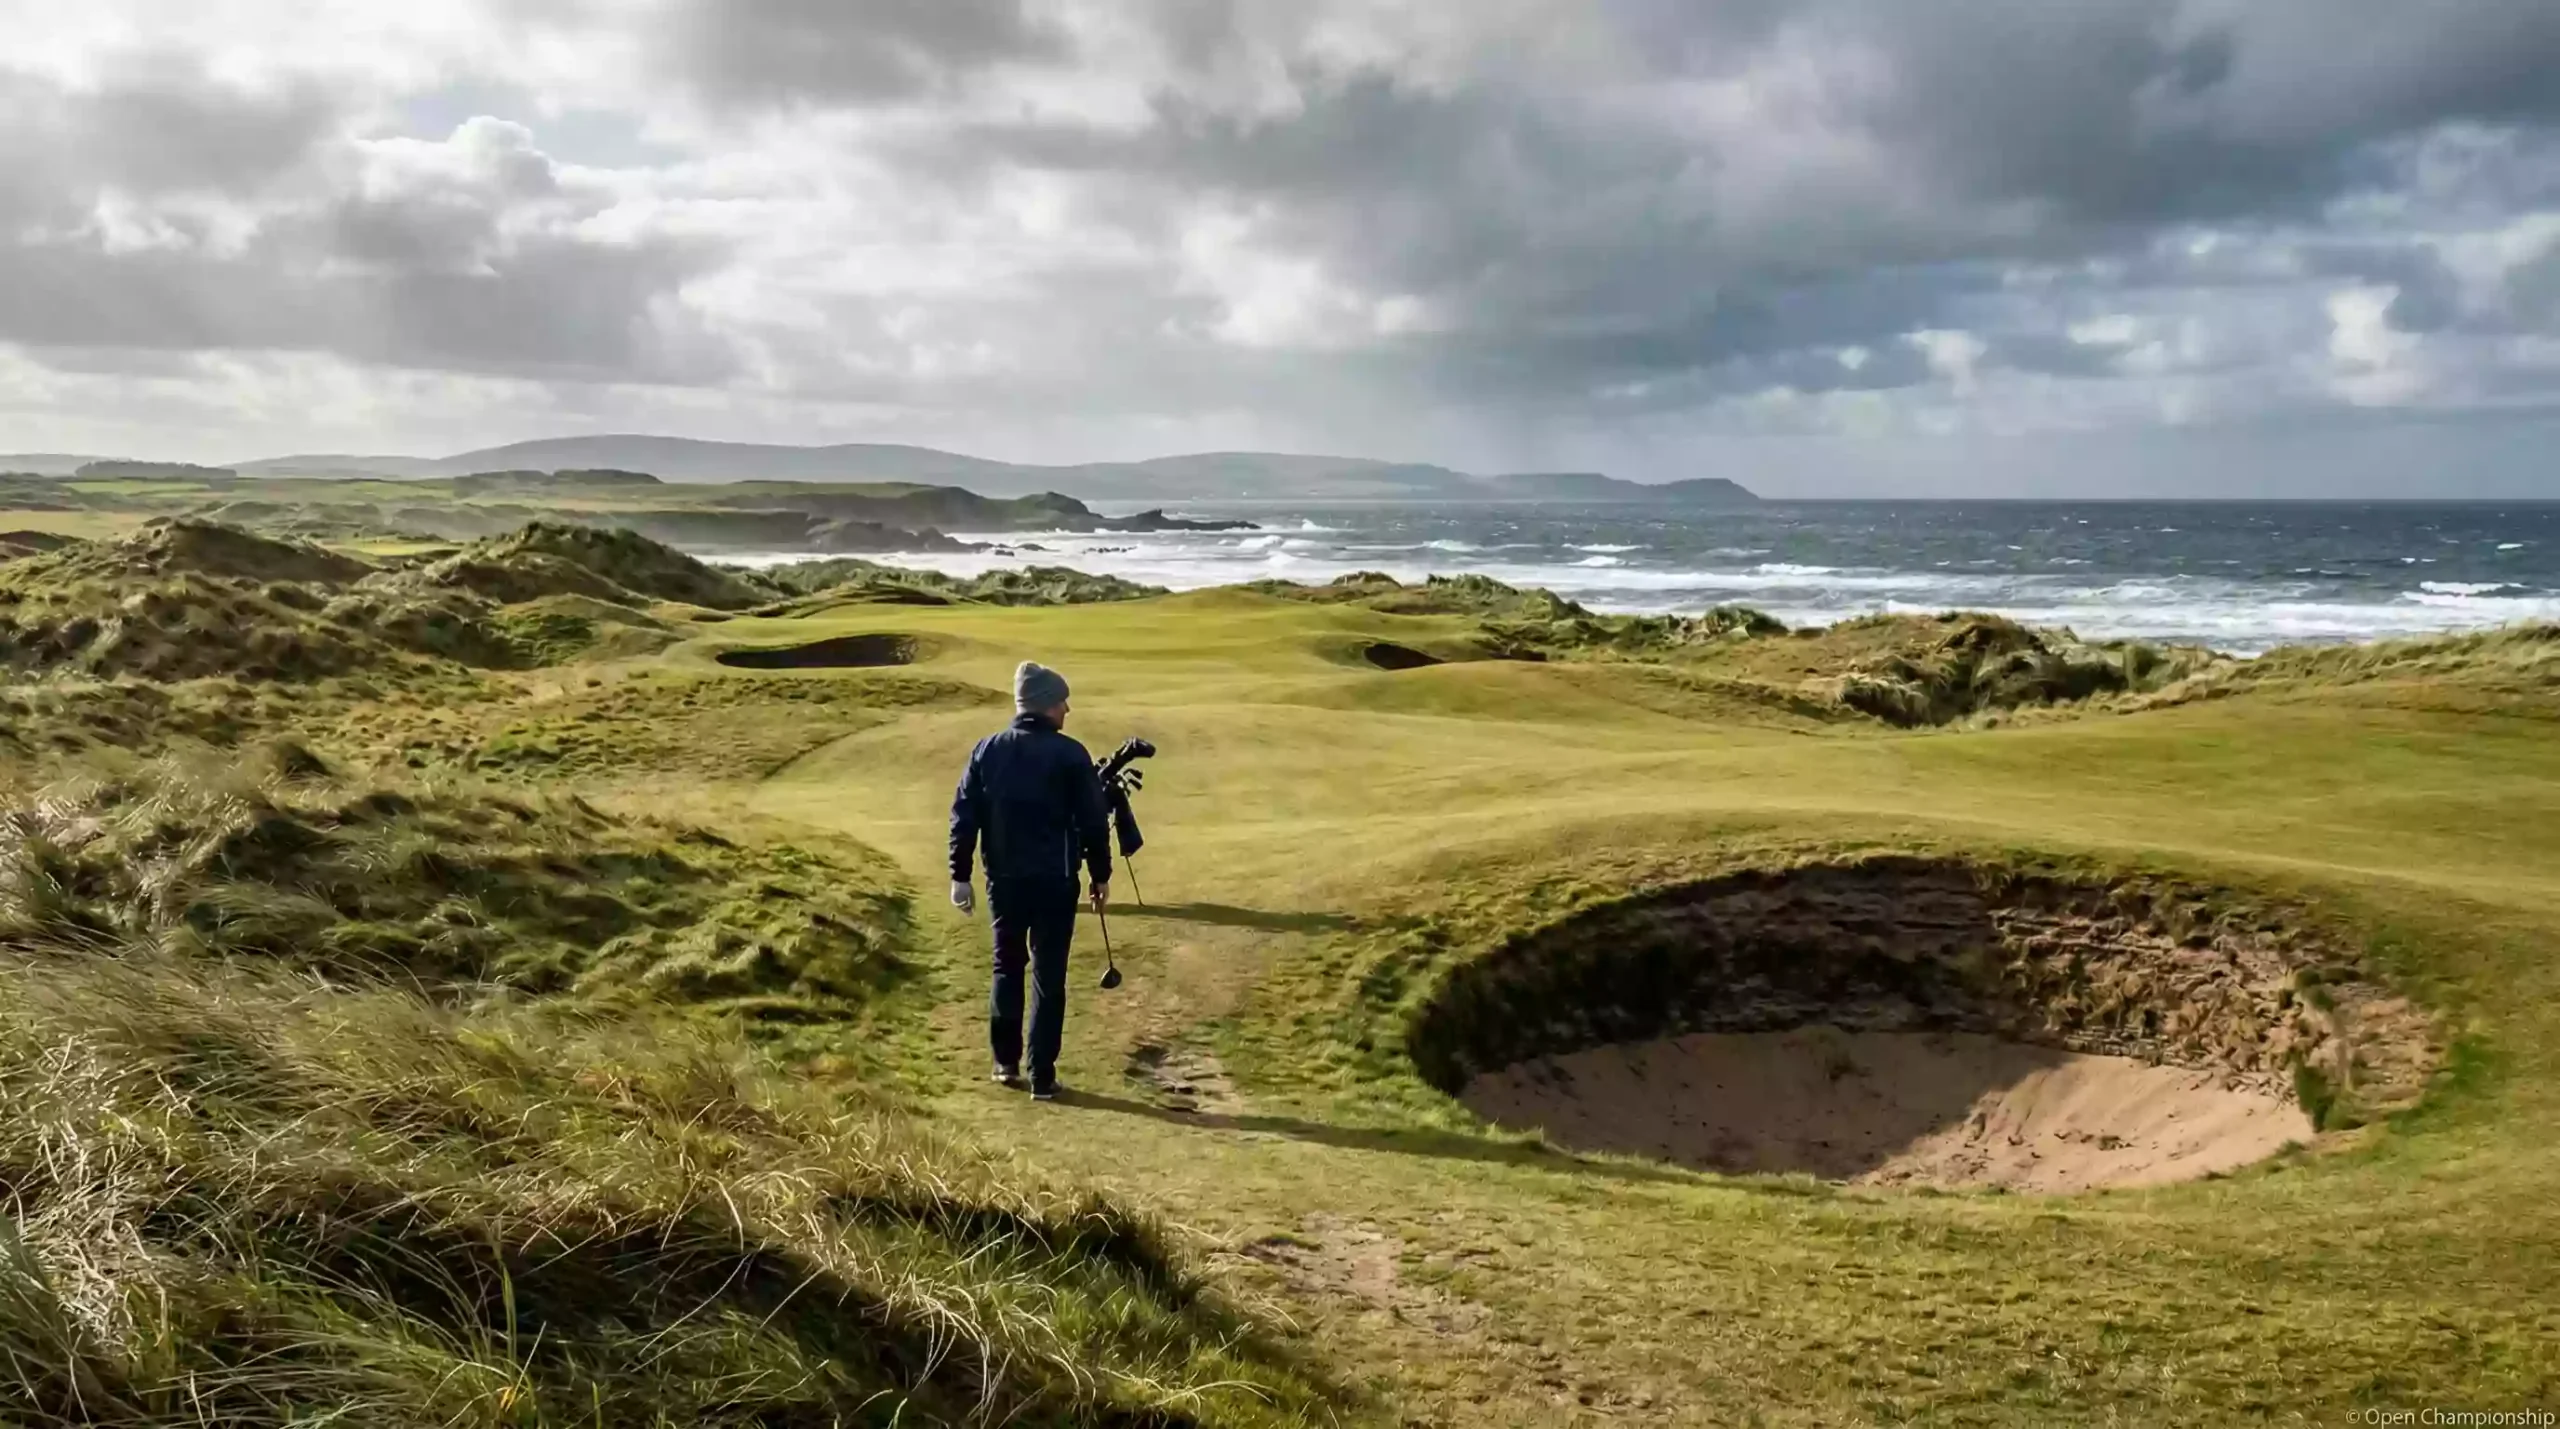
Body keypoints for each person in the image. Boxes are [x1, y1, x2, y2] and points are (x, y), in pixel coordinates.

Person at [948, 660, 1112, 1101]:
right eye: (1063, 702)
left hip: (1003, 881)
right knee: (1048, 973)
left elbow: (965, 816)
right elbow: (1094, 822)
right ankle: (1042, 1075)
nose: (1067, 710)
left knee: (1007, 967)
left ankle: (1005, 1064)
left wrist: (959, 876)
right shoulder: (1070, 753)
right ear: (1045, 705)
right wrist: (1100, 874)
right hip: (1056, 882)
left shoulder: (988, 749)